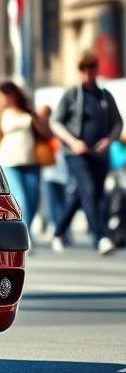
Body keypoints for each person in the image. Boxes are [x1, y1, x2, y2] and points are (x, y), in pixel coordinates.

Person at [50, 50, 123, 255]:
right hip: (76, 153)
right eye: (83, 69)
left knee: (88, 195)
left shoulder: (104, 96)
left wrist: (109, 140)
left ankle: (59, 231)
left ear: (96, 70)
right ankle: (100, 238)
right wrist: (73, 142)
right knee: (89, 191)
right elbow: (55, 122)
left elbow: (118, 122)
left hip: (99, 154)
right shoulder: (72, 95)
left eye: (91, 68)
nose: (87, 73)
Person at [0, 81, 50, 238]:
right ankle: (23, 237)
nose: (2, 98)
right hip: (9, 161)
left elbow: (46, 133)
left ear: (13, 94)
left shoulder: (28, 112)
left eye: (5, 94)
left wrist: (37, 120)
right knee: (20, 199)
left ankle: (26, 231)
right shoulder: (0, 114)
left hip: (31, 161)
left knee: (33, 200)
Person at [37, 104, 70, 242]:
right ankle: (59, 229)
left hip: (55, 171)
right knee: (59, 201)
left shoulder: (50, 133)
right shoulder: (52, 134)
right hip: (53, 171)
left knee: (56, 201)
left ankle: (59, 228)